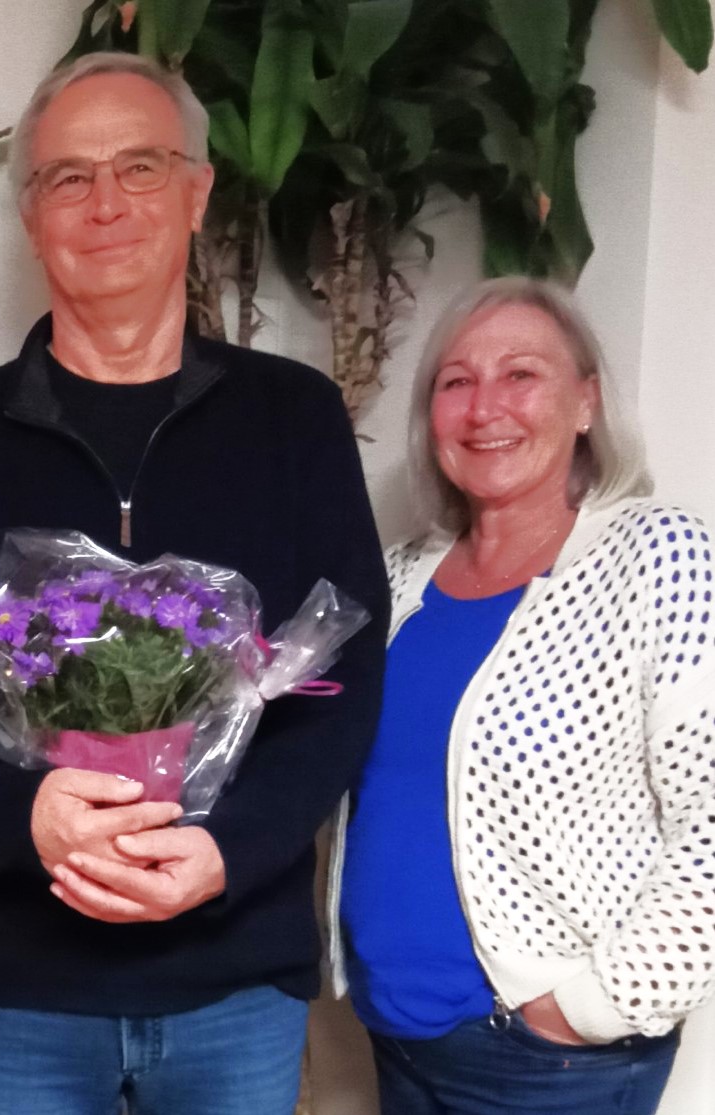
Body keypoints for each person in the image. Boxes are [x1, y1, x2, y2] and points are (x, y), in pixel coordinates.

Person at [0, 52, 390, 1114]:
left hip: (233, 980)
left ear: (196, 193)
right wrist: (24, 822)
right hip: (20, 988)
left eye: (140, 167)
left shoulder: (293, 419)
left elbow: (345, 686)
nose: (105, 203)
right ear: (31, 216)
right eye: (68, 176)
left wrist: (225, 852)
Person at [328, 277, 715, 1114]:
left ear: (585, 401)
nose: (483, 408)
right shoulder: (399, 573)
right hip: (395, 1035)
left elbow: (709, 814)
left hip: (547, 1063)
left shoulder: (656, 554)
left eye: (520, 374)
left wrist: (596, 1006)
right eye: (455, 381)